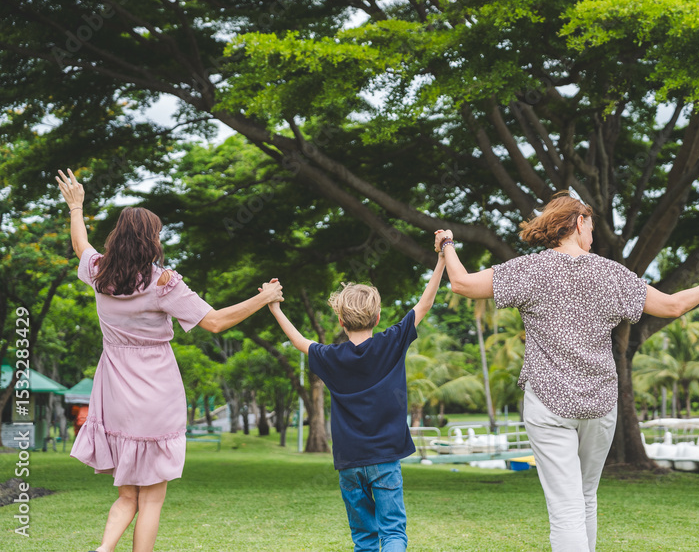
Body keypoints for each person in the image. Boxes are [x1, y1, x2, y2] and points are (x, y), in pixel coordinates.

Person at [435, 191, 699, 552]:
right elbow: (671, 306)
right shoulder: (610, 273)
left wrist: (448, 244)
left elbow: (461, 284)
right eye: (591, 226)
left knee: (566, 508)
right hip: (600, 403)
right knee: (586, 496)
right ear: (579, 223)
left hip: (547, 403)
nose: (592, 236)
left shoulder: (528, 269)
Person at [56, 169, 284, 552]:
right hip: (155, 394)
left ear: (119, 238)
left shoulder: (99, 273)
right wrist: (263, 298)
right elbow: (214, 322)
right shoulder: (163, 283)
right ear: (151, 240)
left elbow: (81, 246)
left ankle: (103, 549)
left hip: (113, 391)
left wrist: (76, 206)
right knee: (153, 500)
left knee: (128, 495)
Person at [267, 248, 446, 552]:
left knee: (364, 538)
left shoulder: (330, 358)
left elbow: (299, 341)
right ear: (377, 317)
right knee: (393, 534)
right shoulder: (391, 343)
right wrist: (442, 259)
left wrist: (275, 308)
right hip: (385, 459)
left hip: (349, 463)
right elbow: (425, 303)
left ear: (339, 321)